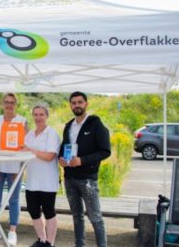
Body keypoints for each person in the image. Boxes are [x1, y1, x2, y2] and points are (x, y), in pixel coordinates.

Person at [58, 91, 111, 247]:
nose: (77, 105)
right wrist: (61, 158)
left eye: (80, 102)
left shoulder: (96, 124)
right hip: (70, 178)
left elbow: (105, 151)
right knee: (76, 216)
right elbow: (64, 147)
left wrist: (82, 160)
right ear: (70, 105)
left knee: (95, 217)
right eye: (73, 103)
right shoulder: (68, 126)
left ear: (86, 104)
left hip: (87, 179)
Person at [0, 93, 28, 246]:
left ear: (16, 104)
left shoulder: (22, 121)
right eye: (6, 102)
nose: (9, 105)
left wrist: (21, 168)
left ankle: (12, 231)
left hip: (15, 168)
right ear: (1, 104)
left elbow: (25, 147)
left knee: (14, 200)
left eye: (12, 102)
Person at [24, 105, 61, 247]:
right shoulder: (30, 134)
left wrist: (31, 150)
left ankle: (50, 243)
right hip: (32, 180)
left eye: (41, 114)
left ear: (47, 116)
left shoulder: (52, 134)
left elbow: (50, 156)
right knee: (33, 210)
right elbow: (23, 152)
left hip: (47, 181)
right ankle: (41, 239)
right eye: (35, 114)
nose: (38, 117)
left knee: (49, 211)